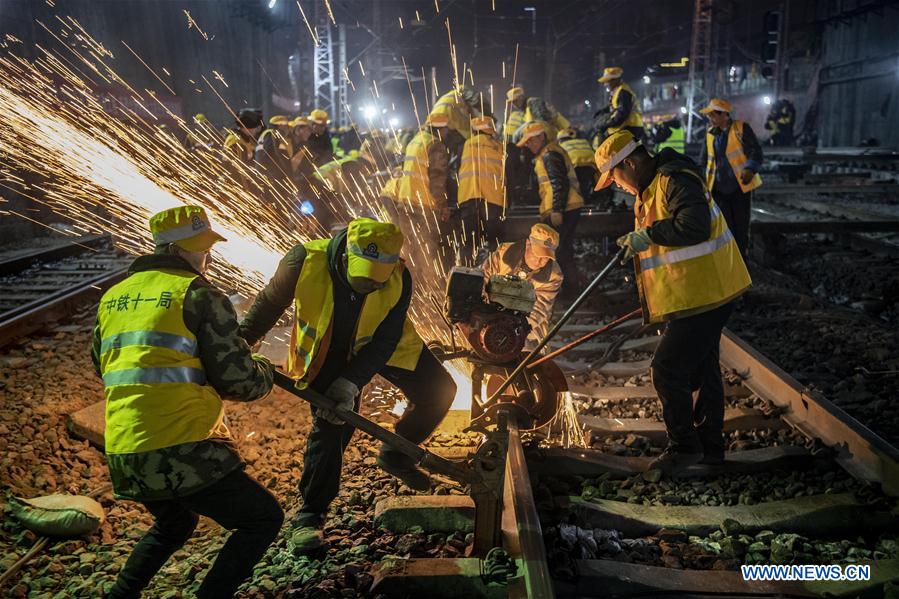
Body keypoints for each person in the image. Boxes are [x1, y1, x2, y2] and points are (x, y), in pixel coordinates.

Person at [93, 206, 282, 598]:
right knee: (262, 518)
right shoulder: (199, 294)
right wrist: (262, 366)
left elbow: (106, 362)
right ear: (180, 250)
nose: (207, 256)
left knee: (173, 525)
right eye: (201, 249)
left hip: (125, 451)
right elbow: (240, 383)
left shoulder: (114, 296)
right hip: (182, 447)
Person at [238, 218, 456, 552]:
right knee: (332, 426)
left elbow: (385, 339)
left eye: (375, 283)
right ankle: (310, 515)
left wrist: (352, 381)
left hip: (381, 344)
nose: (368, 286)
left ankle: (397, 455)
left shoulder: (400, 276)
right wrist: (239, 344)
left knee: (440, 391)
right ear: (345, 257)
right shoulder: (303, 261)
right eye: (362, 278)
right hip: (329, 350)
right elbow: (267, 305)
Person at [594, 130, 752, 475]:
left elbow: (694, 227)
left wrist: (648, 235)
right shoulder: (653, 187)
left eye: (615, 177)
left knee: (667, 369)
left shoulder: (675, 179)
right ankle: (710, 448)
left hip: (707, 293)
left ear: (630, 164)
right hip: (698, 293)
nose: (617, 186)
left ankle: (684, 447)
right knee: (703, 369)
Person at [516, 121, 583, 290]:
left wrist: (556, 210)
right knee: (563, 250)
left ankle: (568, 290)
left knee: (560, 251)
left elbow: (559, 183)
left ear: (541, 136)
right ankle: (568, 289)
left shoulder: (550, 154)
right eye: (527, 142)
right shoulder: (547, 154)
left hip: (565, 208)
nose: (529, 145)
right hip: (565, 207)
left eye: (531, 140)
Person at [698, 98, 763, 257]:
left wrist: (750, 168)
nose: (710, 119)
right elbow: (703, 161)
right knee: (724, 228)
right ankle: (729, 260)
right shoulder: (710, 134)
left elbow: (756, 152)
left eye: (713, 115)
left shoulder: (741, 128)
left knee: (741, 228)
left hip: (739, 187)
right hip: (718, 189)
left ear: (724, 115)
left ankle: (742, 260)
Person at [480, 223, 563, 348]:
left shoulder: (554, 275)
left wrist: (515, 329)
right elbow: (481, 279)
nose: (540, 261)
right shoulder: (503, 254)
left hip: (527, 326)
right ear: (528, 244)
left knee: (524, 352)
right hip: (490, 314)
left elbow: (539, 309)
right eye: (537, 254)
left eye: (545, 257)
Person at [457, 116, 505, 264]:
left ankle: (465, 275)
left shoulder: (465, 145)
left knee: (469, 243)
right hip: (494, 201)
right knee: (494, 245)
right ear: (491, 130)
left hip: (468, 197)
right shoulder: (500, 146)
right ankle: (491, 277)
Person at [594, 67, 644, 142]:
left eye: (607, 81)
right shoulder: (618, 91)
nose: (605, 84)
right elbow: (616, 106)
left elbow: (622, 113)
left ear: (615, 80)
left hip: (630, 127)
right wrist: (603, 110)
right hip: (629, 127)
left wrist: (608, 124)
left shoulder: (623, 92)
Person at [557, 127, 599, 204]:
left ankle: (580, 202)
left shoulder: (562, 144)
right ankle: (591, 199)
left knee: (575, 186)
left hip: (575, 165)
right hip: (591, 165)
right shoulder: (583, 141)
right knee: (585, 184)